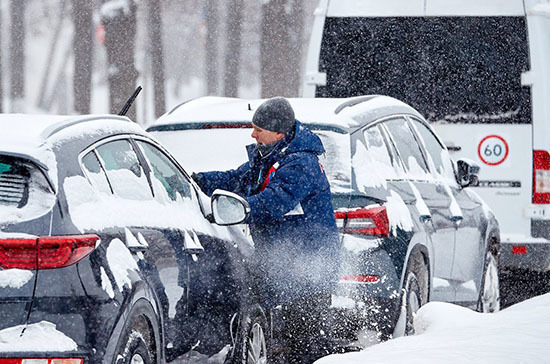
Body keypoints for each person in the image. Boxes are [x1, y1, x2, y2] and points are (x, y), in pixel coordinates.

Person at [192, 97, 340, 364]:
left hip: (308, 273)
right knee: (283, 341)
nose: (253, 134)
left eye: (259, 129)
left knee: (305, 347)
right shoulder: (270, 156)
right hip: (283, 266)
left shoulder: (300, 164)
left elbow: (274, 201)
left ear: (279, 133)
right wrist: (196, 181)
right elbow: (236, 178)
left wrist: (238, 210)